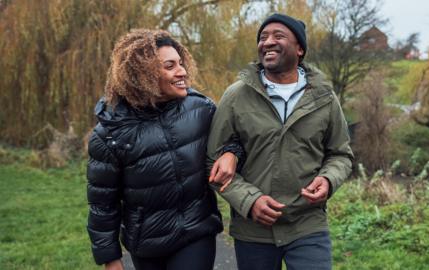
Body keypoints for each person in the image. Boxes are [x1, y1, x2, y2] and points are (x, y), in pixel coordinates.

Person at [207, 13, 354, 270]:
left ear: (300, 49)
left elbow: (341, 154)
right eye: (263, 37)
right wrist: (249, 200)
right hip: (254, 231)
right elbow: (212, 160)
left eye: (278, 36)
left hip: (307, 225)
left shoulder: (324, 97)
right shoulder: (236, 96)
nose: (268, 42)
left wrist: (329, 180)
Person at [86, 29, 241, 270]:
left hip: (195, 232)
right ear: (142, 74)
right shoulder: (110, 132)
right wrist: (110, 258)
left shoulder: (201, 109)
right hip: (146, 244)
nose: (182, 72)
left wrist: (232, 152)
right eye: (170, 66)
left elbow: (233, 136)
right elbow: (102, 202)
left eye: (181, 63)